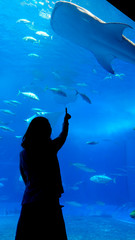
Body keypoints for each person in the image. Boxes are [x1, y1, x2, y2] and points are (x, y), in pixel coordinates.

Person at [15, 108, 71, 240]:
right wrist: (66, 122)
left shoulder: (23, 154)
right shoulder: (50, 148)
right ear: (48, 131)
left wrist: (32, 188)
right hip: (49, 201)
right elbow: (63, 136)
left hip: (29, 201)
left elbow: (25, 177)